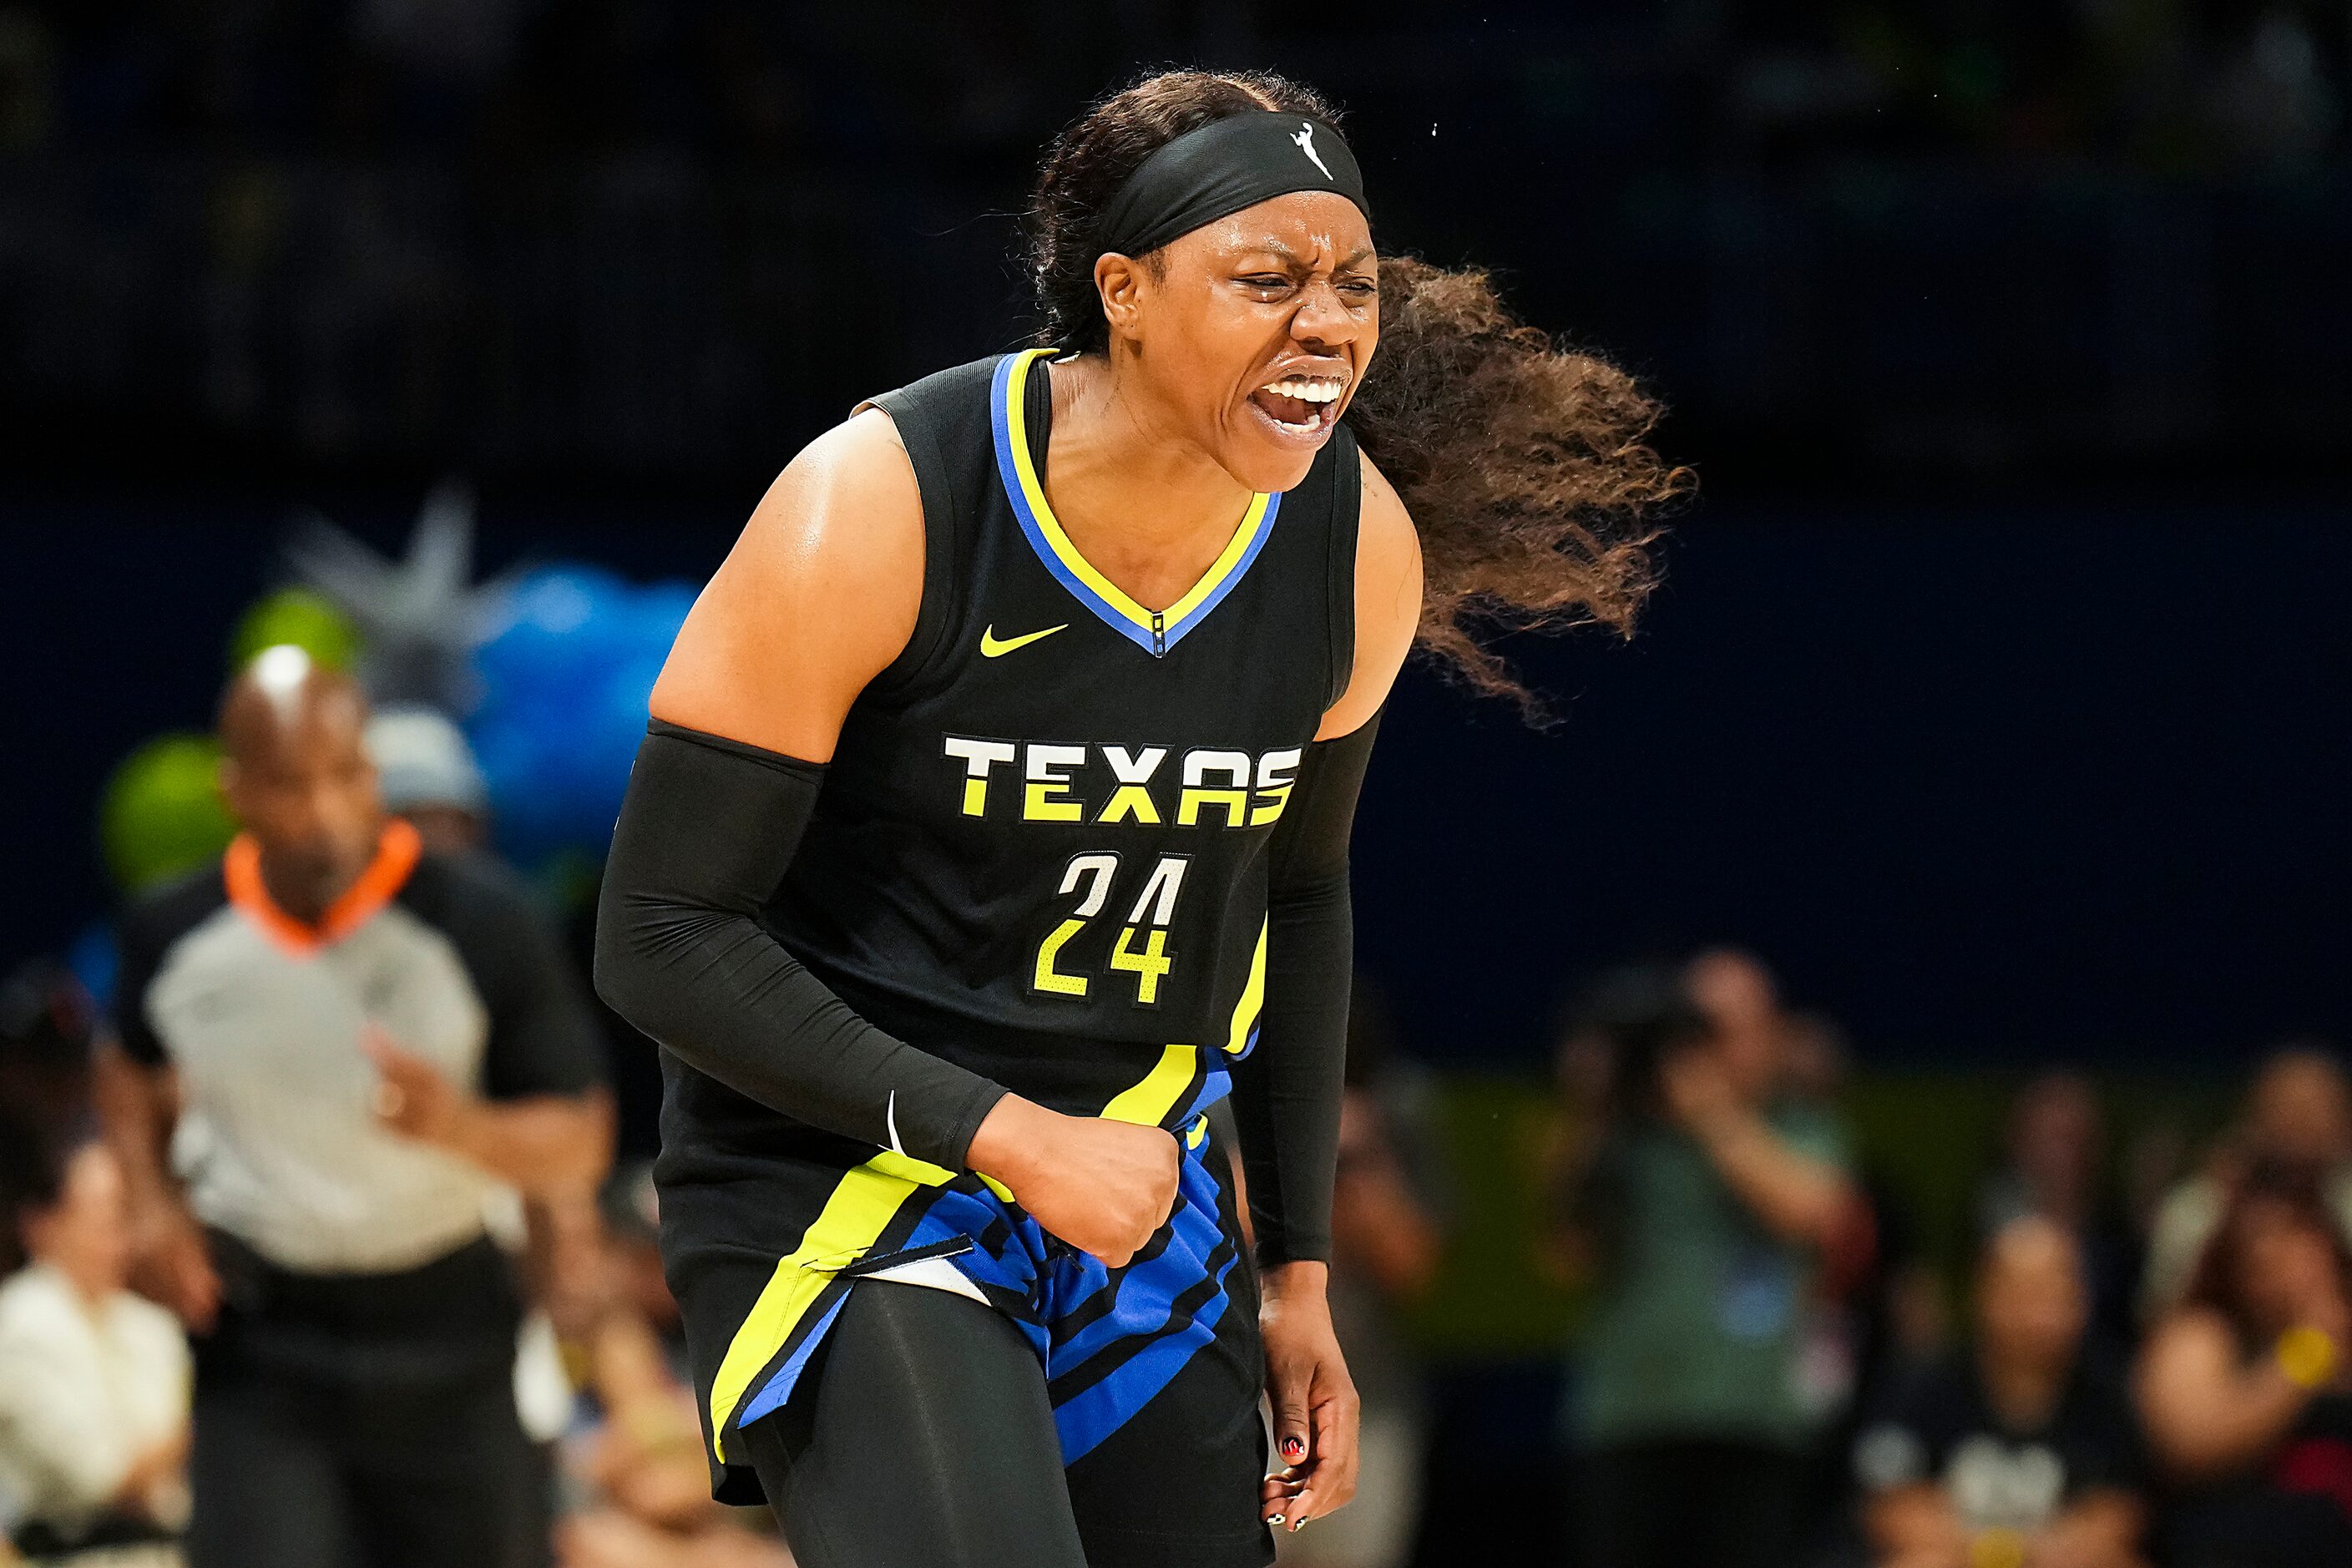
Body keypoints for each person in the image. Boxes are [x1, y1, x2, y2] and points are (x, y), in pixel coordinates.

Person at [594, 66, 1682, 1568]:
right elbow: (659, 933)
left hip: (1131, 1176)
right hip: (850, 1165)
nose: (1327, 325)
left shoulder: (1350, 540)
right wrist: (1009, 1135)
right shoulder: (881, 503)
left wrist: (1298, 1272)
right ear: (1124, 290)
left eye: (1352, 284)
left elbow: (1297, 900)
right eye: (1265, 279)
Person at [99, 645, 611, 1568]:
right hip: (261, 1345)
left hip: (448, 1338)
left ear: (373, 772)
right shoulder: (171, 932)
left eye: (347, 777)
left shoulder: (483, 922)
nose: (328, 814)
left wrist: (457, 1124)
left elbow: (579, 1142)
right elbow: (126, 1069)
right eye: (293, 786)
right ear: (236, 793)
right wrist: (148, 1203)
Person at [1560, 952, 1865, 1568]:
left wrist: (1710, 1111)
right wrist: (1593, 1107)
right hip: (1629, 1420)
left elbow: (1813, 1211)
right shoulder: (1626, 1137)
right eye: (1692, 1030)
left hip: (1755, 1424)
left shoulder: (1800, 1125)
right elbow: (1566, 1255)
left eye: (1723, 1030)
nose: (1705, 1048)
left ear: (1770, 1036)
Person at [1852, 1216, 2147, 1568]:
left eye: (2058, 1293)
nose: (2041, 1315)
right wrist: (2001, 1551)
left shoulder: (2108, 1394)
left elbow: (2122, 1514)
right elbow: (1888, 1505)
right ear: (1985, 1293)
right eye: (2027, 1293)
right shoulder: (1923, 1386)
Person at [2136, 1165, 2352, 1568]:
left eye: (2293, 1235)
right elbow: (2192, 1445)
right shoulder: (2200, 1336)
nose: (2272, 1255)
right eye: (2255, 1239)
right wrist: (2311, 1348)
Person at [0, 1141, 190, 1567]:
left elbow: (180, 1489)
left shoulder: (154, 1327)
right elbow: (101, 1476)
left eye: (122, 1217)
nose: (115, 1238)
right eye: (99, 1218)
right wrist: (204, 1429)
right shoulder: (19, 1322)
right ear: (43, 1224)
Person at [2141, 1047, 2352, 1318]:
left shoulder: (2345, 1205)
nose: (2304, 1123)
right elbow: (2161, 1316)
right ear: (2255, 1117)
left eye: (2318, 1108)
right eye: (2290, 1108)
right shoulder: (2200, 1209)